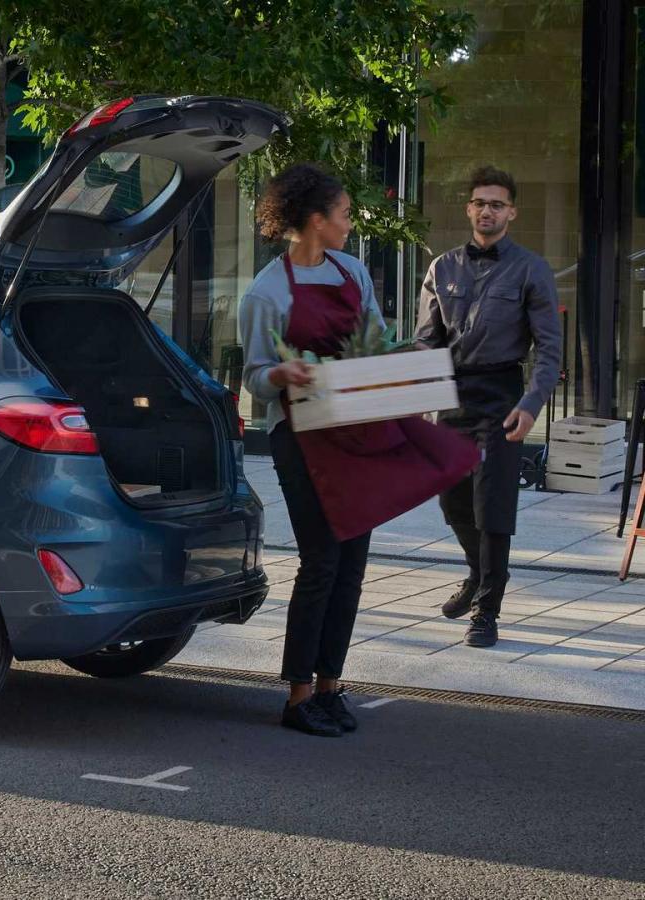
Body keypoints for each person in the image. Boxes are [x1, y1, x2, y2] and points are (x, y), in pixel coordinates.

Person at [238, 164, 380, 738]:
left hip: (353, 432)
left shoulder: (353, 271)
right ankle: (297, 696)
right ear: (317, 220)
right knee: (321, 560)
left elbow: (374, 342)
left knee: (352, 563)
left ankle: (329, 686)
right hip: (299, 435)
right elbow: (254, 378)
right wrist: (283, 373)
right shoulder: (266, 292)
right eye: (344, 214)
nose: (350, 223)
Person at [416, 166, 560, 648]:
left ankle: (486, 611)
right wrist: (422, 402)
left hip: (503, 394)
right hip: (452, 393)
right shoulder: (442, 268)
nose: (487, 211)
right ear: (468, 208)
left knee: (493, 503)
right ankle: (479, 572)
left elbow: (549, 350)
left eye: (497, 204)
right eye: (480, 203)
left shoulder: (531, 269)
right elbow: (426, 342)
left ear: (511, 213)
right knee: (452, 498)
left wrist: (532, 403)